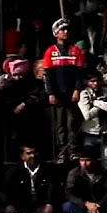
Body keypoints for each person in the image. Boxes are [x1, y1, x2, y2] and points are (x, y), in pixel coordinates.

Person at [43, 18, 86, 161]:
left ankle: (73, 150)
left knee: (71, 123)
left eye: (67, 29)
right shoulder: (50, 51)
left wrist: (77, 90)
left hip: (71, 93)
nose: (66, 32)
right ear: (56, 33)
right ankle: (61, 151)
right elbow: (48, 75)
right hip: (58, 94)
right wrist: (51, 93)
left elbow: (80, 73)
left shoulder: (76, 50)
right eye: (62, 30)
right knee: (60, 125)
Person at [62, 146, 107, 213]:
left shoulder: (104, 173)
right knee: (67, 206)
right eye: (81, 160)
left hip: (101, 204)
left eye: (87, 160)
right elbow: (69, 194)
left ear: (94, 161)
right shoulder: (74, 174)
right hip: (84, 205)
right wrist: (86, 204)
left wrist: (98, 205)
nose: (84, 164)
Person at [1, 145, 58, 213]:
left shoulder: (47, 170)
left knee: (47, 211)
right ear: (22, 156)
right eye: (29, 153)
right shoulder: (13, 172)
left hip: (40, 204)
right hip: (21, 205)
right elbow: (5, 190)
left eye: (34, 153)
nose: (33, 156)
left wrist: (49, 203)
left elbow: (51, 188)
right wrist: (9, 204)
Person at [77, 73, 107, 162]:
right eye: (92, 81)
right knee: (89, 161)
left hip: (105, 131)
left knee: (106, 161)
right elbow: (87, 115)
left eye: (97, 81)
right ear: (86, 82)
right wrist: (101, 106)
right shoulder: (84, 93)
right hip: (89, 132)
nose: (95, 83)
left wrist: (96, 103)